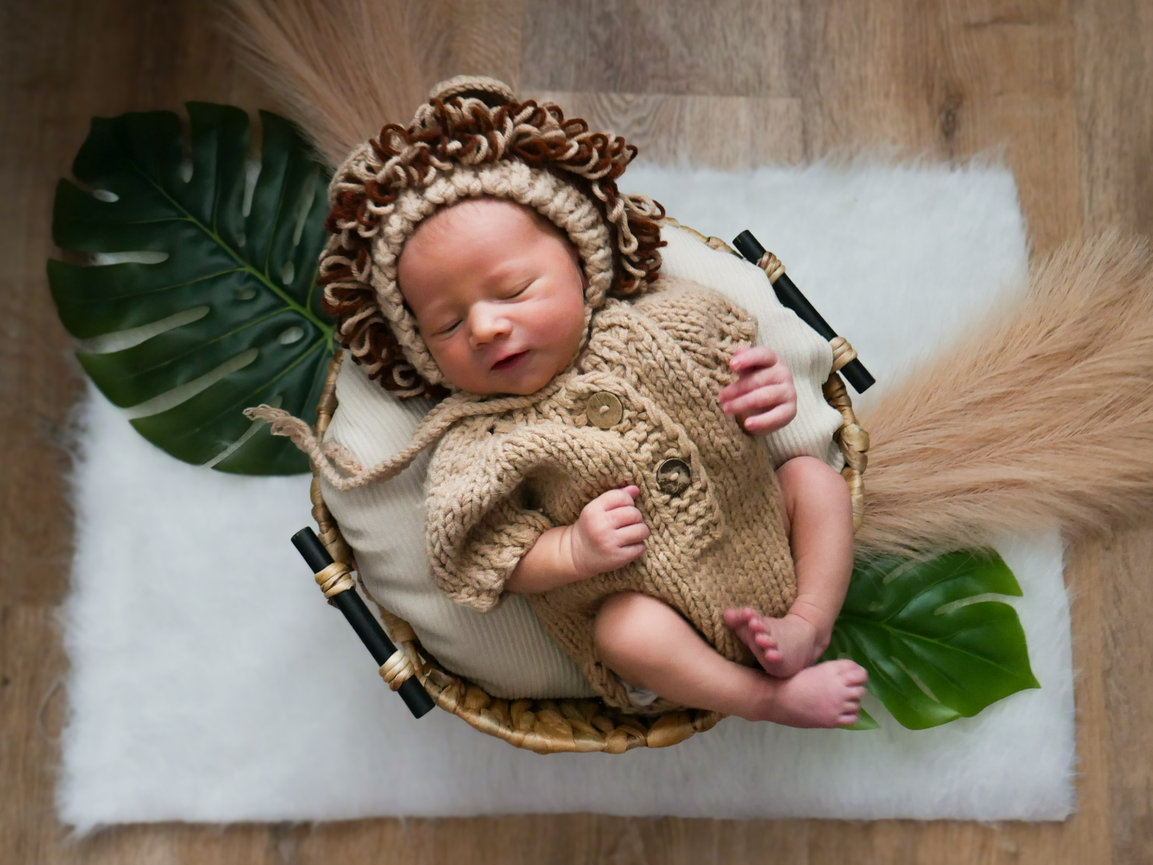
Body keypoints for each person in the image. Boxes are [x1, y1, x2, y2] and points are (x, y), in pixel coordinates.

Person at [252, 75, 866, 727]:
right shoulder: (479, 441)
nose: (485, 327)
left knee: (812, 478)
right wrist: (571, 551)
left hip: (763, 535)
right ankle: (766, 699)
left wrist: (766, 393)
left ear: (582, 264)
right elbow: (488, 555)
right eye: (448, 326)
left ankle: (807, 622)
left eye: (513, 289)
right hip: (653, 613)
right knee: (623, 629)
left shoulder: (664, 320)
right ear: (421, 353)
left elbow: (745, 365)